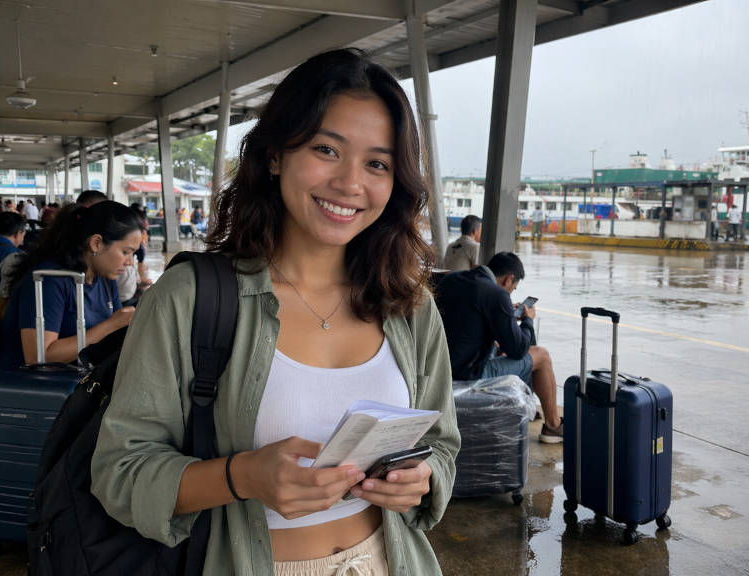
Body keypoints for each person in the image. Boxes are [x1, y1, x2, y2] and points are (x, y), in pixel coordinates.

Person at [90, 49, 460, 576]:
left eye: (377, 163)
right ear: (274, 155)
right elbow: (119, 471)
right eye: (326, 149)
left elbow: (441, 445)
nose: (352, 183)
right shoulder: (191, 297)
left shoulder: (409, 305)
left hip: (391, 562)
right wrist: (241, 477)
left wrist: (420, 480)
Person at [435, 251, 563, 444]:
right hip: (468, 374)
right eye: (513, 288)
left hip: (440, 368)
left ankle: (530, 408)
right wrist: (527, 321)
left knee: (499, 344)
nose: (510, 292)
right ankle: (553, 426)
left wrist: (506, 314)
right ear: (508, 279)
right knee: (542, 356)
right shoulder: (497, 294)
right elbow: (517, 349)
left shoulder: (451, 279)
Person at [0, 201, 140, 368]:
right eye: (125, 252)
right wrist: (111, 325)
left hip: (79, 380)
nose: (130, 262)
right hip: (33, 386)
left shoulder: (105, 279)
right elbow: (38, 358)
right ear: (96, 243)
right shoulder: (47, 280)